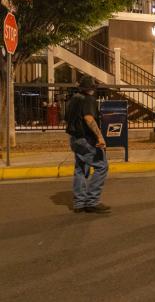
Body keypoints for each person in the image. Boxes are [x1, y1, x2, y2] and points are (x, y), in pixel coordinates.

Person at [64, 75, 110, 213]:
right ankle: (92, 201)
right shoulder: (89, 99)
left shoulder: (74, 99)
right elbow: (89, 118)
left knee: (81, 169)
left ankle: (79, 203)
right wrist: (100, 137)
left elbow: (66, 117)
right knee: (102, 166)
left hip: (74, 139)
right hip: (86, 139)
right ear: (92, 88)